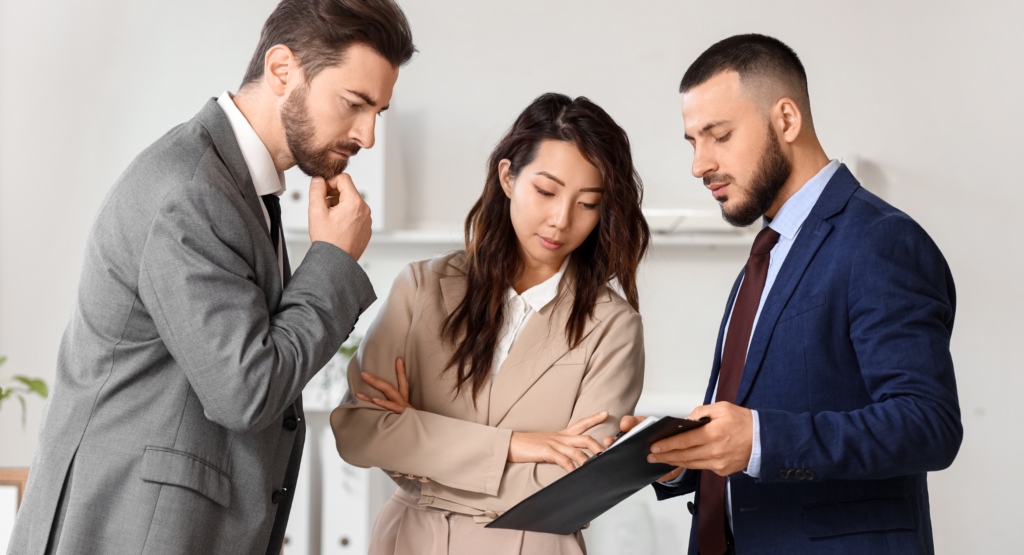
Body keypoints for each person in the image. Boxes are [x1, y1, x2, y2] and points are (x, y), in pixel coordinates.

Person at [7, 1, 414, 554]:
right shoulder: (190, 191)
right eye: (354, 104)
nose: (366, 136)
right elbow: (246, 392)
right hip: (129, 533)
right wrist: (333, 260)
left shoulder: (239, 187)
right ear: (282, 70)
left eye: (378, 113)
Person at [612, 34, 961, 554]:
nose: (699, 164)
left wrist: (760, 440)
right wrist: (685, 454)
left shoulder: (880, 240)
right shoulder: (768, 253)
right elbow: (752, 419)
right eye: (692, 141)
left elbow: (927, 423)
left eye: (719, 135)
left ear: (787, 120)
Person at [330, 93, 651, 555]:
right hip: (411, 542)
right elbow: (358, 431)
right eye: (546, 191)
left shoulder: (613, 327)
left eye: (588, 203)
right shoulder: (422, 286)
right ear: (508, 177)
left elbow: (573, 487)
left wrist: (416, 438)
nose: (561, 220)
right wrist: (516, 446)